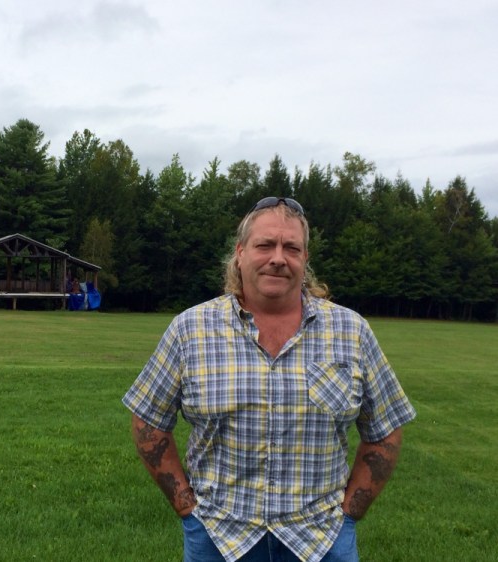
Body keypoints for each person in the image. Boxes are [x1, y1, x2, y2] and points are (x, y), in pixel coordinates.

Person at [122, 197, 416, 562]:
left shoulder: (351, 332)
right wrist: (187, 508)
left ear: (304, 259)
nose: (278, 257)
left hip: (322, 540)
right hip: (219, 538)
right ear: (241, 253)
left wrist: (350, 513)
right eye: (265, 245)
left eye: (291, 247)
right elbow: (148, 423)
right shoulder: (190, 330)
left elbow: (385, 429)